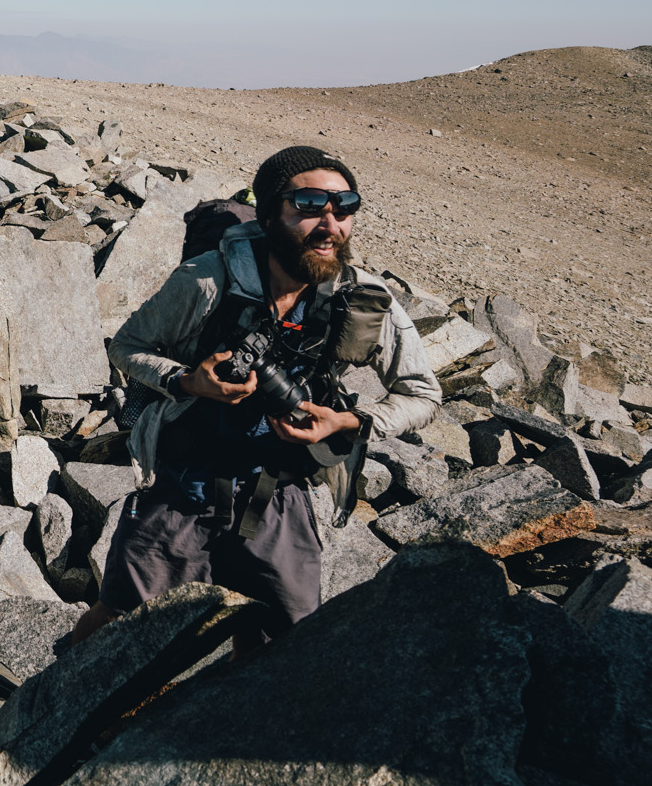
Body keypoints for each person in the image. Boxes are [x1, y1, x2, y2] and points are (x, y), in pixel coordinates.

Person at [70, 145, 442, 647]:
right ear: (270, 215)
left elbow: (422, 394)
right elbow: (128, 346)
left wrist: (346, 422)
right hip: (183, 481)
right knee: (122, 625)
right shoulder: (207, 279)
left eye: (343, 207)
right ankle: (50, 710)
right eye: (308, 206)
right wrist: (187, 381)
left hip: (283, 491)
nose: (329, 224)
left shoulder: (363, 300)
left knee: (286, 640)